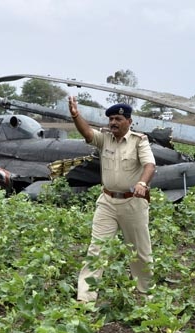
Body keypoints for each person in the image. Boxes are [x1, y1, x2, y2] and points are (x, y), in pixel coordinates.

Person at [68, 97, 156, 303]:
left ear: (129, 121)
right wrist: (75, 115)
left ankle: (146, 296)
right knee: (96, 249)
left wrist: (142, 184)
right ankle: (85, 299)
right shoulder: (105, 139)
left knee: (140, 253)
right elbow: (87, 133)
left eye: (117, 119)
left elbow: (149, 165)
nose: (113, 123)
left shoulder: (139, 141)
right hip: (107, 202)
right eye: (110, 119)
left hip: (132, 203)